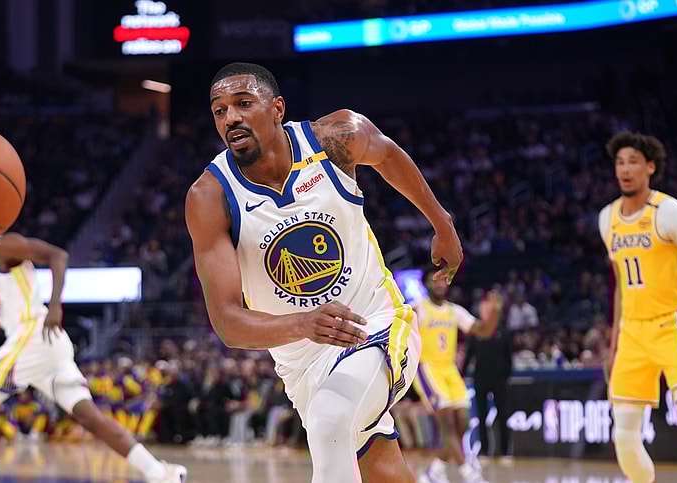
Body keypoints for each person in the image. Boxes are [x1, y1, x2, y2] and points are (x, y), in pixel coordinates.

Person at [185, 62, 467, 483]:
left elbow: (388, 154)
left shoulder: (335, 137)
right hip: (301, 363)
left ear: (277, 108)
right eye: (219, 110)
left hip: (375, 324)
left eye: (243, 104)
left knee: (330, 422)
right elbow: (227, 323)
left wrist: (442, 224)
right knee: (383, 470)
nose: (231, 118)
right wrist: (304, 323)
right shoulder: (210, 197)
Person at [0, 233, 187, 483]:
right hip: (45, 344)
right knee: (89, 416)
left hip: (33, 333)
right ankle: (160, 473)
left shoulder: (2, 245)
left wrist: (56, 304)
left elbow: (57, 255)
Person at [598, 131, 677, 483]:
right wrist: (613, 347)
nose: (625, 169)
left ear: (650, 168)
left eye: (633, 162)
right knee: (623, 434)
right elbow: (620, 291)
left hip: (674, 325)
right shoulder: (607, 218)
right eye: (620, 162)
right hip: (631, 333)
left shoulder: (670, 211)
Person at [413, 268, 500, 483]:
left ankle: (436, 468)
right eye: (435, 281)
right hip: (428, 368)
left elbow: (484, 331)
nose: (440, 284)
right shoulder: (419, 309)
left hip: (449, 369)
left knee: (463, 422)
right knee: (447, 423)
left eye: (443, 280)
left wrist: (495, 312)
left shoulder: (454, 311)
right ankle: (467, 472)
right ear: (426, 284)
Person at [462, 294, 514, 465]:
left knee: (503, 416)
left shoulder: (504, 332)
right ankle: (484, 451)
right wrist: (461, 375)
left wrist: (506, 377)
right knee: (482, 416)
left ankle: (506, 451)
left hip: (499, 381)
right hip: (480, 380)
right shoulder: (476, 333)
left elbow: (509, 359)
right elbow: (469, 356)